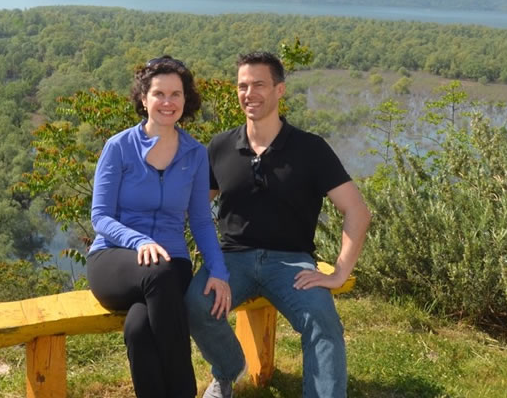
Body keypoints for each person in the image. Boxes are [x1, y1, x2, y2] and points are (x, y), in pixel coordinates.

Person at [186, 51, 372, 398]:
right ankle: (228, 371)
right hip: (232, 260)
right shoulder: (221, 146)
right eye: (242, 85)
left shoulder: (310, 149)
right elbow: (194, 207)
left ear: (279, 90)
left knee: (322, 321)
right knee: (196, 303)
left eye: (259, 84)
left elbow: (357, 212)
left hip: (291, 263)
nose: (249, 93)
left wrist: (339, 273)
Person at [86, 56, 231, 398]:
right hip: (115, 258)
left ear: (186, 100)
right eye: (159, 94)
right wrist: (138, 242)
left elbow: (199, 219)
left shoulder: (195, 154)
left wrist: (218, 271)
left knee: (138, 328)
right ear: (143, 98)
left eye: (176, 94)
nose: (168, 102)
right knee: (158, 273)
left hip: (170, 263)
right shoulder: (119, 147)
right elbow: (100, 217)